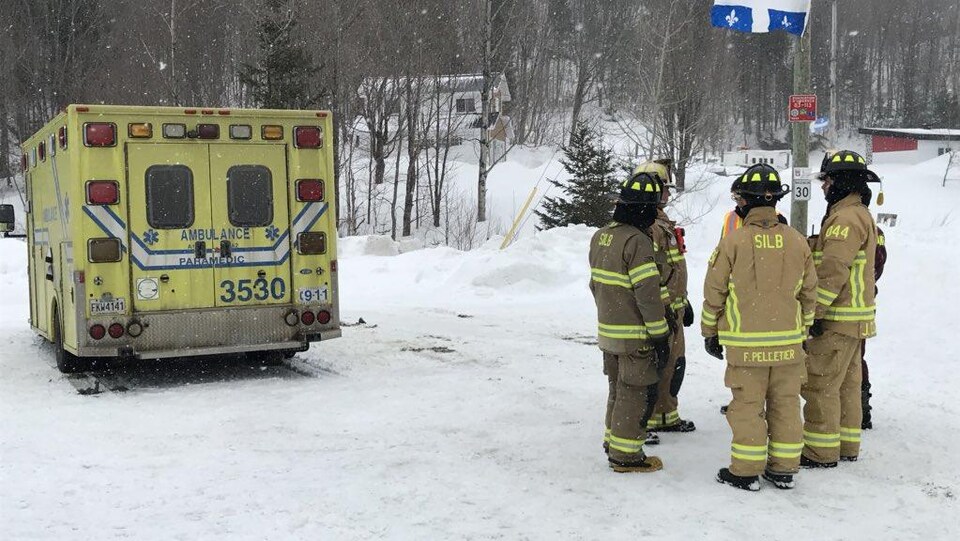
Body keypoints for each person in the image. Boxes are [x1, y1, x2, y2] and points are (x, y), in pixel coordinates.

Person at [702, 163, 817, 491]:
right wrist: (804, 330)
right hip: (789, 347)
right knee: (786, 405)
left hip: (746, 347)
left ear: (746, 203)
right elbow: (809, 294)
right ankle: (783, 469)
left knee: (748, 407)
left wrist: (710, 332)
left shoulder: (734, 242)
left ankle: (745, 471)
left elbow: (715, 292)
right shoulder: (797, 242)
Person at [801, 150, 880, 468]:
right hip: (854, 319)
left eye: (828, 180)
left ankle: (820, 451)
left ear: (842, 183)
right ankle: (846, 445)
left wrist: (815, 312)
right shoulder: (859, 214)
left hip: (837, 318)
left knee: (820, 385)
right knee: (847, 386)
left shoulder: (844, 220)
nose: (823, 187)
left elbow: (833, 269)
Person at [589, 171, 672, 473]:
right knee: (634, 393)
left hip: (609, 332)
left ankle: (613, 441)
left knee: (616, 388)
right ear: (643, 209)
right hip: (635, 337)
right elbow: (647, 295)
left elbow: (596, 285)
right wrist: (661, 335)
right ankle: (626, 456)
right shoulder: (637, 241)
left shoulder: (601, 236)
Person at [633, 160, 696, 434]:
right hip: (662, 312)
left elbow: (670, 270)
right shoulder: (649, 227)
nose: (669, 195)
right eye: (665, 189)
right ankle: (644, 420)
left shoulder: (662, 224)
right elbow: (649, 275)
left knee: (672, 364)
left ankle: (666, 413)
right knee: (654, 365)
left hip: (674, 310)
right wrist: (664, 306)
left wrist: (684, 302)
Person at [861, 226, 886, 429]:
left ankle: (858, 406)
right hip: (863, 303)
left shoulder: (844, 225)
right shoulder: (875, 231)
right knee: (855, 359)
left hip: (845, 307)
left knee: (843, 362)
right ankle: (859, 407)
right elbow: (878, 265)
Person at [721, 174, 788, 239]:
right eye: (736, 198)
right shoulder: (731, 218)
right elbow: (722, 247)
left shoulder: (778, 219)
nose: (739, 202)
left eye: (740, 197)